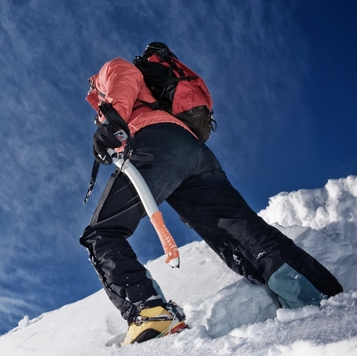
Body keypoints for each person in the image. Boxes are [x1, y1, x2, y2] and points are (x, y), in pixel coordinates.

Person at [79, 42, 343, 346]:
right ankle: (314, 293)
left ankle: (148, 313)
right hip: (191, 151)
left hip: (154, 145)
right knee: (236, 229)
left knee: (103, 233)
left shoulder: (110, 72)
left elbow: (125, 76)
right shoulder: (147, 96)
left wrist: (111, 119)